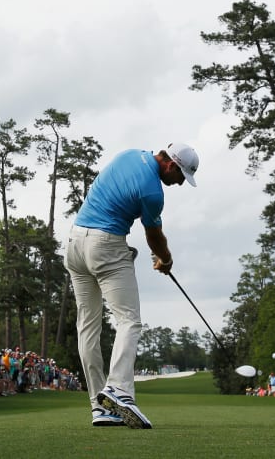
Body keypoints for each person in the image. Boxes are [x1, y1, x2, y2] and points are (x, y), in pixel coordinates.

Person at [65, 143, 199, 429]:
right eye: (180, 177)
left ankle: (98, 407)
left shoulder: (129, 153)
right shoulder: (154, 192)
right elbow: (154, 236)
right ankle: (118, 389)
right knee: (129, 321)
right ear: (172, 165)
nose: (178, 184)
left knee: (87, 327)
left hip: (75, 243)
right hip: (105, 244)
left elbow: (118, 201)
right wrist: (166, 259)